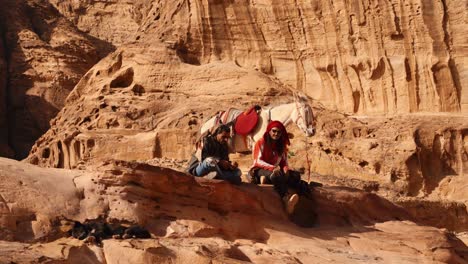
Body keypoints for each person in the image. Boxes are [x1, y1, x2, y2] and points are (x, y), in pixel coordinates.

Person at [250, 120, 308, 214]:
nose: (276, 134)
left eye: (279, 132)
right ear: (269, 131)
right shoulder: (261, 142)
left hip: (274, 170)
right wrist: (272, 168)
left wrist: (285, 169)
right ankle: (286, 198)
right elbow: (257, 161)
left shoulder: (281, 146)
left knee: (295, 175)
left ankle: (266, 179)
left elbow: (284, 162)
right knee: (275, 175)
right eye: (274, 131)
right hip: (259, 169)